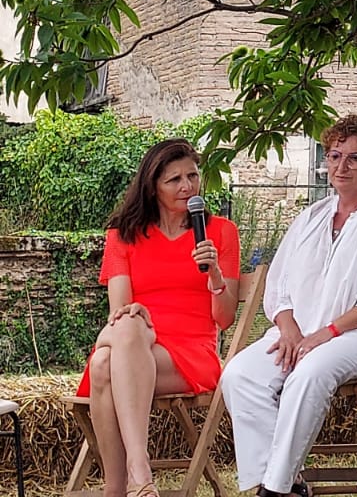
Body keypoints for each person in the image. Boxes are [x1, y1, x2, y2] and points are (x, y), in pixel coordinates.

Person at [220, 114, 357, 497]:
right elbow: (277, 286)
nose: (341, 166)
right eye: (334, 156)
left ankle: (274, 490)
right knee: (240, 374)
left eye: (354, 158)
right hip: (302, 332)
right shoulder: (310, 217)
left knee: (308, 372)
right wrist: (291, 330)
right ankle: (289, 484)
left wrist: (323, 335)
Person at [78, 139, 241, 497]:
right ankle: (137, 476)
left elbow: (225, 318)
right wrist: (136, 321)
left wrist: (213, 272)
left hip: (191, 351)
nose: (187, 186)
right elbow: (119, 312)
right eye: (174, 179)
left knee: (105, 362)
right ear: (152, 186)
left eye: (193, 176)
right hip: (136, 341)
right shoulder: (123, 235)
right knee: (125, 331)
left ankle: (122, 484)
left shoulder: (220, 232)